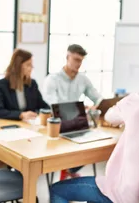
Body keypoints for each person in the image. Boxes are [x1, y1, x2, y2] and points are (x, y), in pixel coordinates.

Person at [49, 61, 139, 203]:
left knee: (56, 190)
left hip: (125, 197)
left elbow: (109, 117)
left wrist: (129, 119)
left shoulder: (136, 103)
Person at [43, 44, 103, 179]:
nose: (78, 64)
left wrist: (94, 106)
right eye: (75, 59)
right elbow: (54, 105)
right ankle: (67, 169)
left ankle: (70, 169)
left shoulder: (83, 79)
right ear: (67, 57)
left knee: (93, 146)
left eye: (80, 61)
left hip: (77, 124)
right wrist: (79, 108)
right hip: (58, 126)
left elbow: (98, 98)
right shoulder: (52, 79)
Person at [0, 49, 49, 120]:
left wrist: (48, 112)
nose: (31, 68)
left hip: (29, 125)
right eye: (28, 65)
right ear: (18, 66)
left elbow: (44, 106)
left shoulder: (32, 84)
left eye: (31, 65)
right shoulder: (1, 85)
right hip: (10, 125)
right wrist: (21, 115)